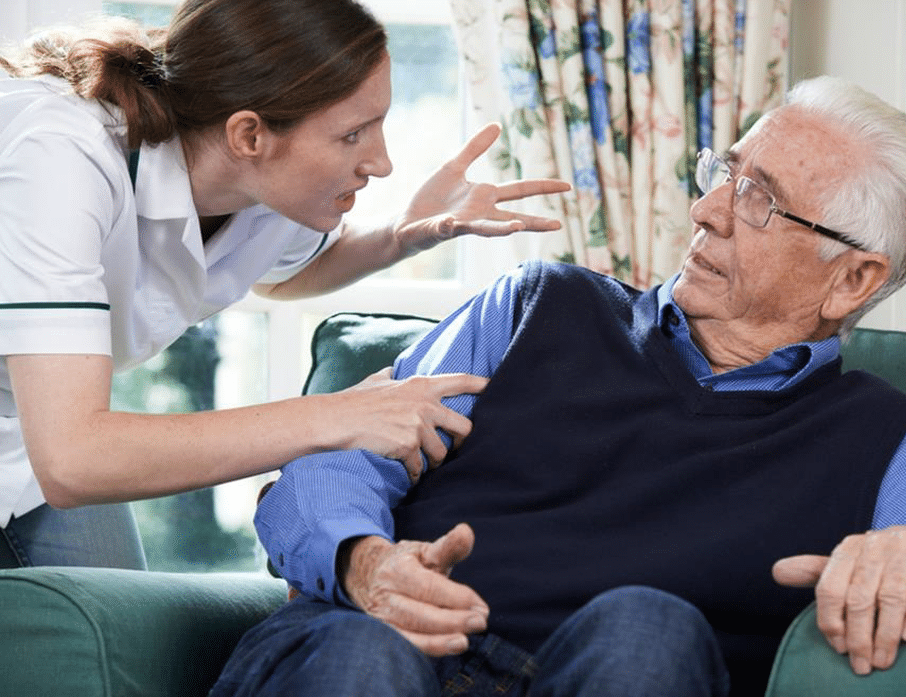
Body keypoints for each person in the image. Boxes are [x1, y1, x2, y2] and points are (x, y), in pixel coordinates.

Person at [212, 76, 906, 697]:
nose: (706, 209)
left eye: (760, 201)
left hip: (616, 673)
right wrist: (363, 559)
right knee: (365, 650)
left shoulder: (888, 443)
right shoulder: (531, 306)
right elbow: (335, 458)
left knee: (648, 626)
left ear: (852, 280)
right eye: (725, 172)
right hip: (376, 657)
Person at [0, 0, 571, 570]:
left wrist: (398, 236)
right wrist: (340, 415)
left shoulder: (258, 188)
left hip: (33, 441)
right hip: (61, 444)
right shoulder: (59, 155)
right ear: (249, 134)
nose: (383, 162)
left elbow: (286, 274)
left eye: (379, 124)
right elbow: (74, 458)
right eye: (353, 134)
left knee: (105, 625)